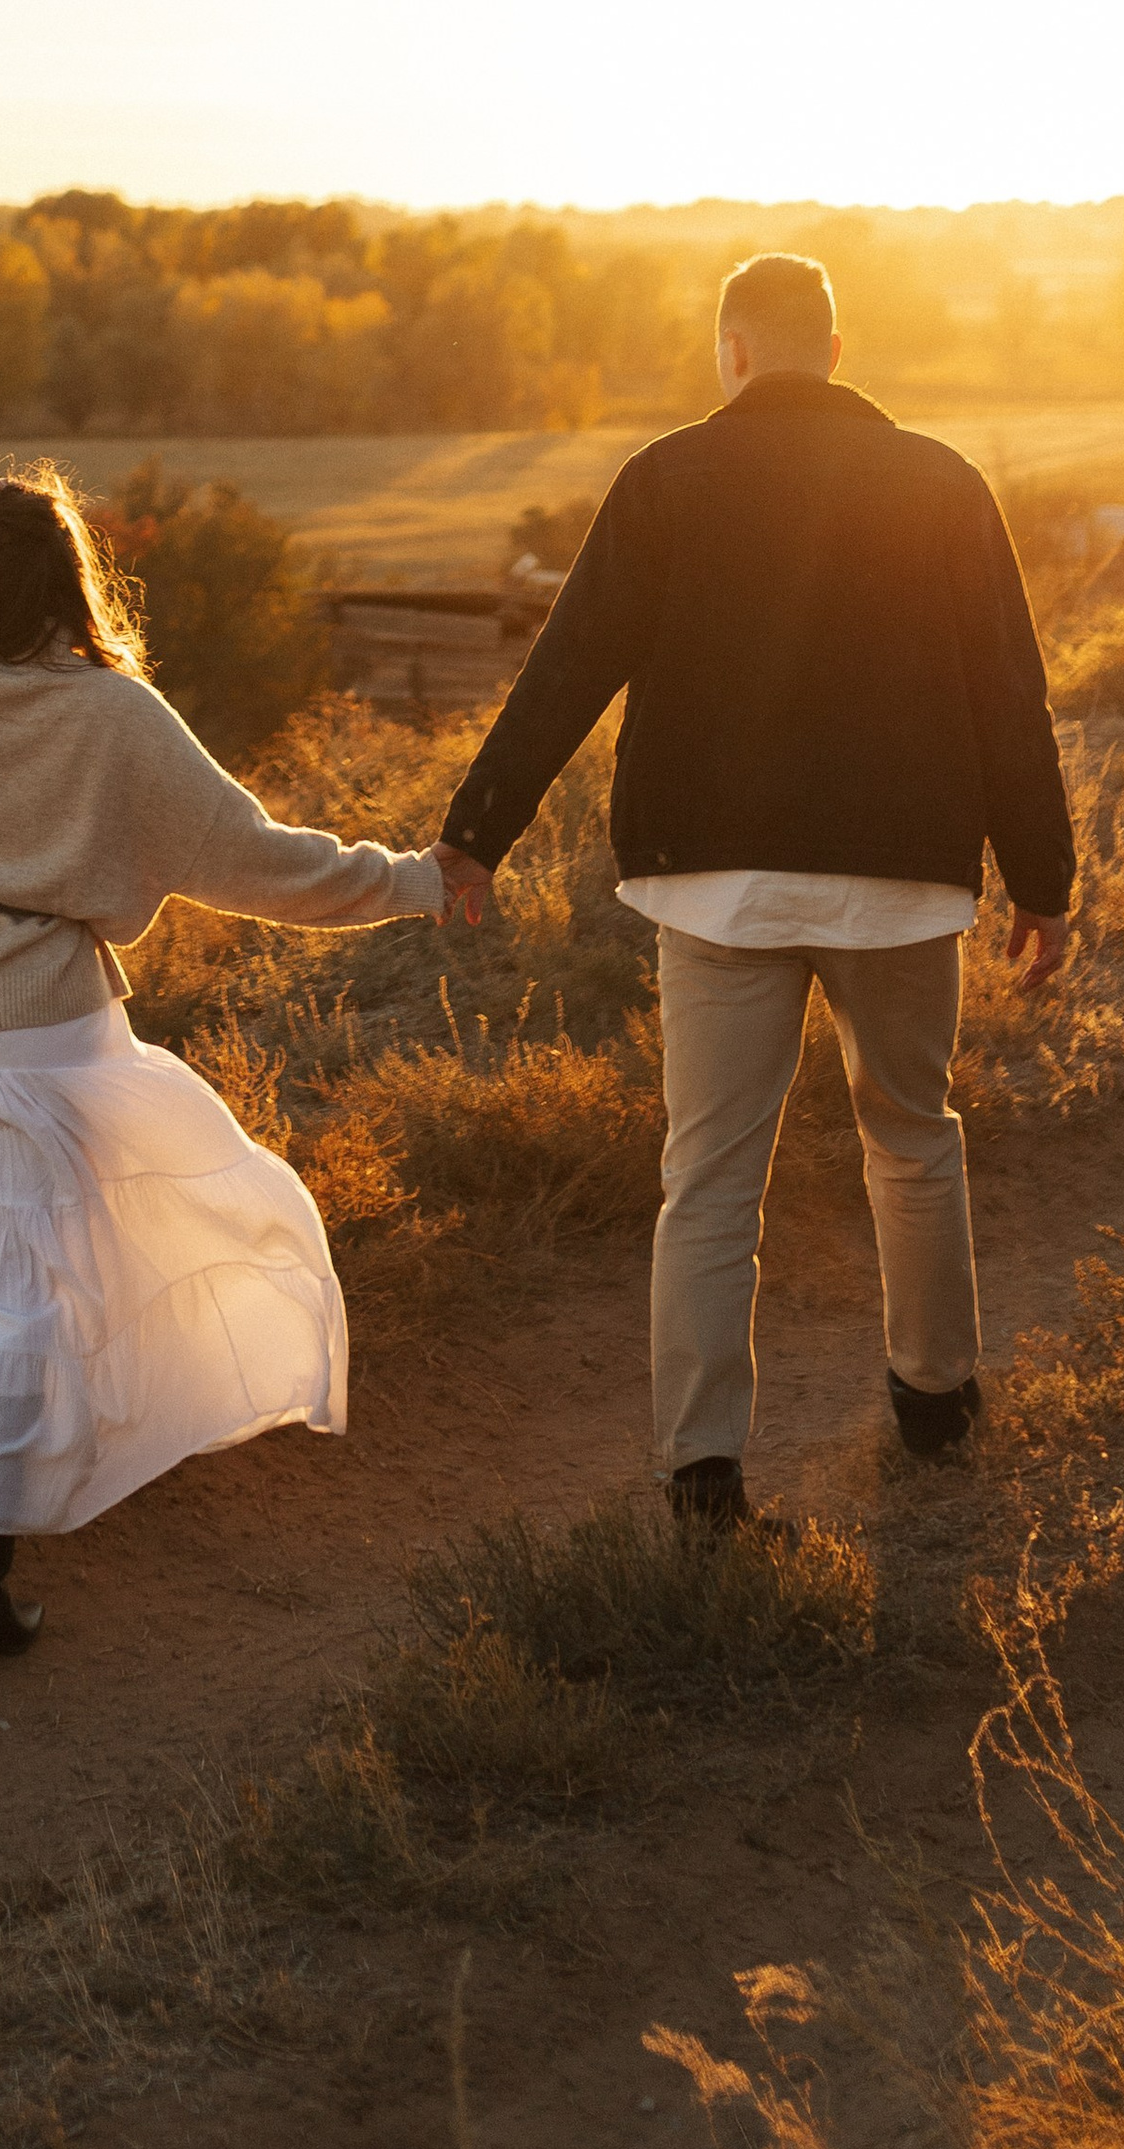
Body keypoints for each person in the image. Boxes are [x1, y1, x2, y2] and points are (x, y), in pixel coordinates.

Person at [431, 254, 1075, 1533]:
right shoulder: (942, 482)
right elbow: (1011, 691)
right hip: (899, 884)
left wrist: (475, 831)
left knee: (710, 1174)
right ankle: (935, 1403)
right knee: (911, 1132)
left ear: (730, 351)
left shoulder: (667, 478)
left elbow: (569, 665)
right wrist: (1043, 878)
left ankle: (702, 1474)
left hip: (712, 885)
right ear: (835, 352)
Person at [0, 465, 480, 1665]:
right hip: (29, 1030)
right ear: (68, 579)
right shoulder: (112, 717)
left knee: (47, 1240)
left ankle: (47, 1444)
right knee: (32, 1271)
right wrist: (421, 883)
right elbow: (268, 864)